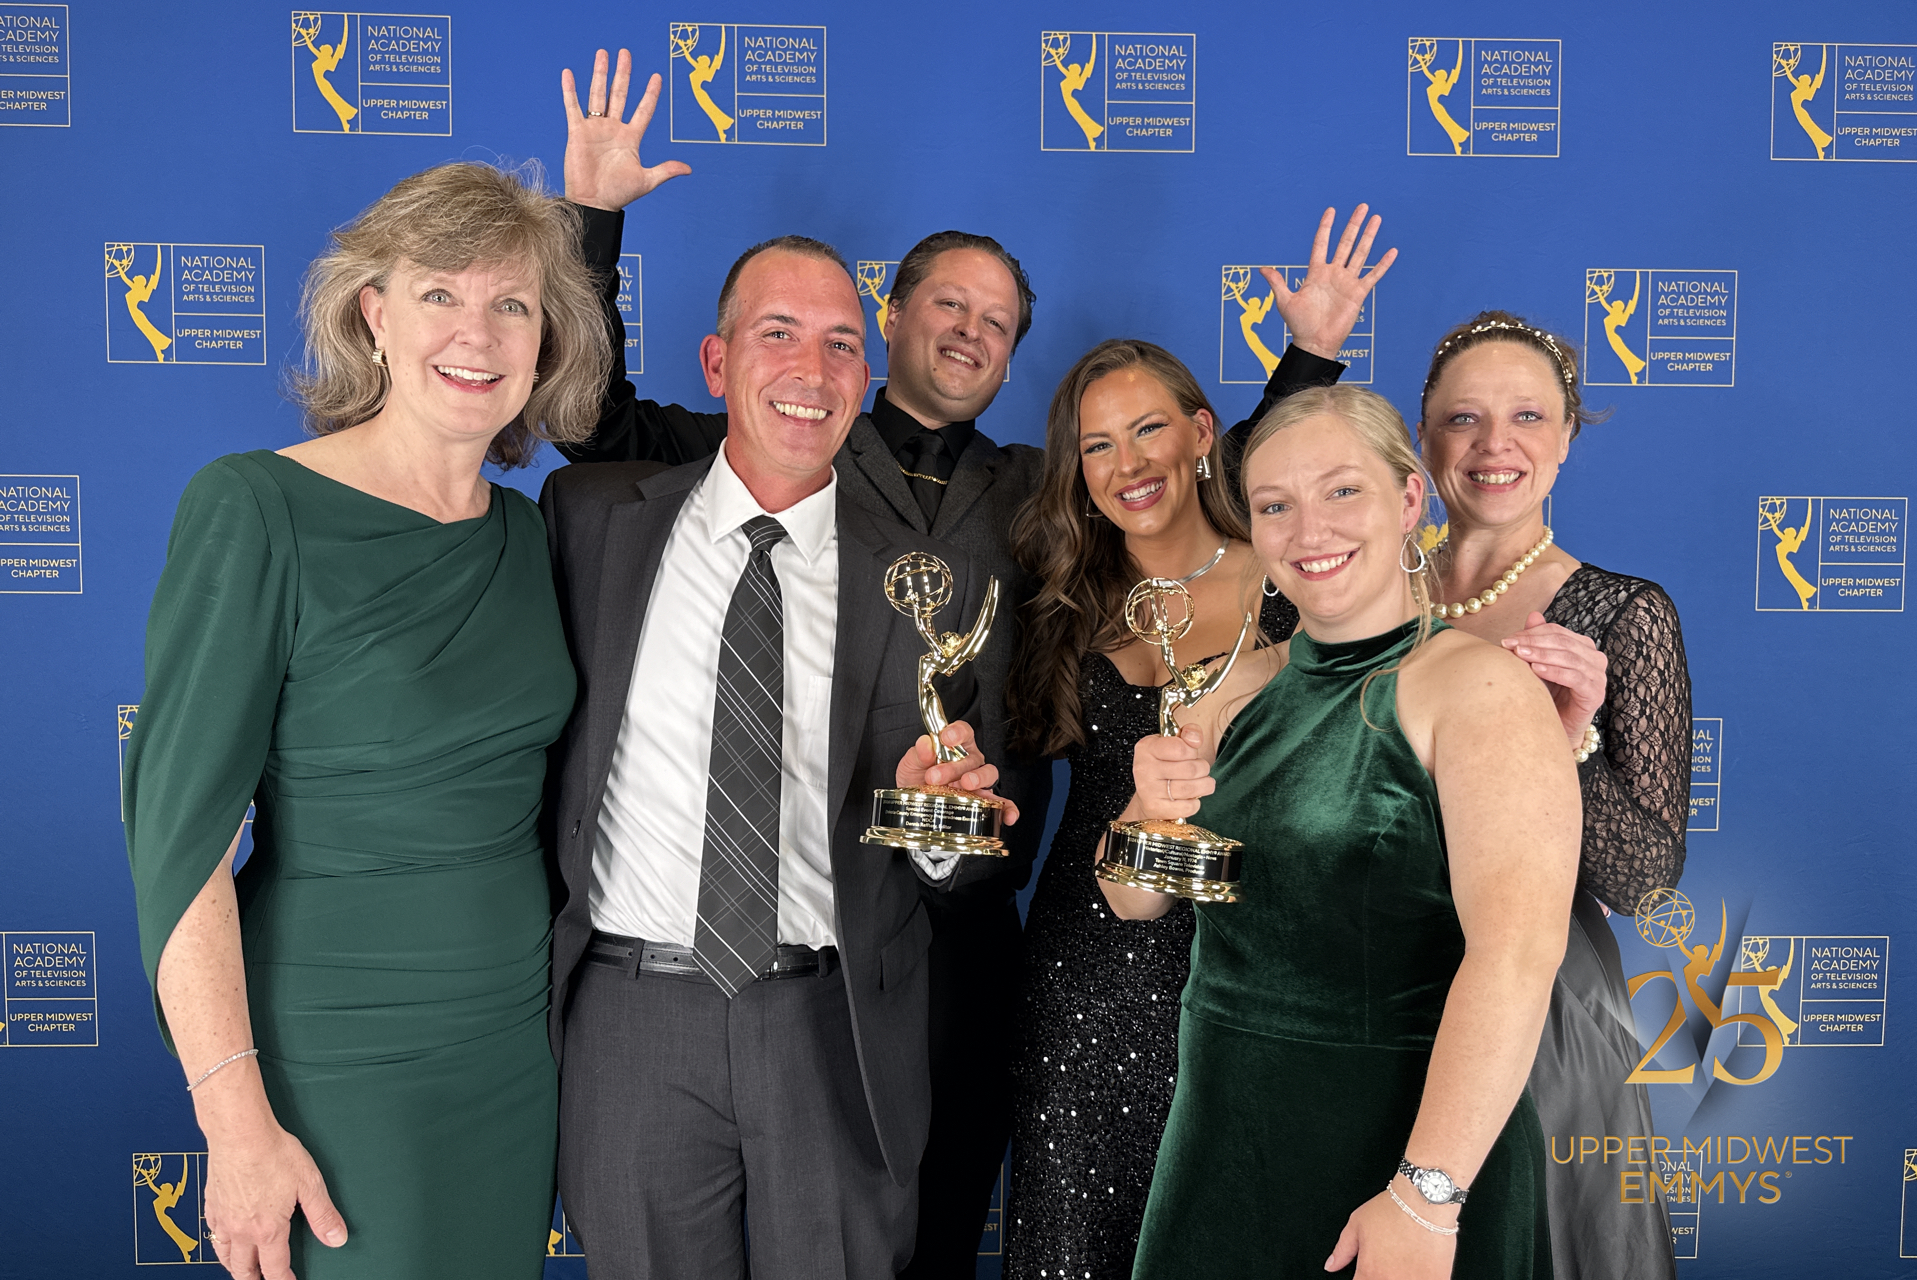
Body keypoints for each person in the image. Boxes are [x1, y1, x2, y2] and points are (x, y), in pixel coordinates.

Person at [548, 47, 1379, 1274]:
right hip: (751, 934)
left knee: (914, 1221)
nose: (971, 330)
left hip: (965, 919)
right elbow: (587, 418)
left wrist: (1306, 366)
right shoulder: (752, 459)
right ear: (895, 321)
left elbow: (1195, 487)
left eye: (997, 323)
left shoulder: (1044, 494)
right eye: (949, 304)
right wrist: (592, 225)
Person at [122, 160, 610, 1280]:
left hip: (511, 1045)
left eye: (512, 303)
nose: (475, 331)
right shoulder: (255, 508)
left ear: (545, 342)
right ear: (372, 314)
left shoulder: (535, 539)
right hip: (335, 1051)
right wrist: (236, 1124)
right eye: (439, 292)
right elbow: (179, 846)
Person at [538, 229, 1017, 1280]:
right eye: (779, 334)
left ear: (869, 370)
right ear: (717, 364)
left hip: (835, 1019)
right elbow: (556, 391)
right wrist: (593, 221)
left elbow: (957, 863)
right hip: (632, 1012)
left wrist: (943, 829)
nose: (812, 371)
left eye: (843, 343)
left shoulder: (917, 585)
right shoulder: (591, 520)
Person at [1108, 385, 1579, 1278]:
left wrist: (1425, 1196)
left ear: (1409, 500)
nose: (1307, 529)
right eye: (1275, 506)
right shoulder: (1228, 686)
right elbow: (1134, 898)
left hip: (1405, 1146)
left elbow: (1517, 955)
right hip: (1221, 1143)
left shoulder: (1480, 690)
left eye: (1341, 492)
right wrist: (1148, 803)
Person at [1000, 217, 1389, 1280]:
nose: (1128, 463)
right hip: (1091, 968)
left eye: (1149, 431)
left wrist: (1309, 355)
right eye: (1096, 444)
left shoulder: (1289, 567)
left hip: (1260, 963)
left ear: (1203, 432)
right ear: (1075, 468)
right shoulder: (1064, 603)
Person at [1416, 312, 1691, 1280]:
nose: (1495, 446)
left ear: (1568, 435)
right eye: (1464, 419)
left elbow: (1647, 884)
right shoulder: (1364, 595)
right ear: (1423, 437)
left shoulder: (1625, 614)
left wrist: (1569, 741)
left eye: (1528, 415)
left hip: (1543, 1019)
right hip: (1369, 988)